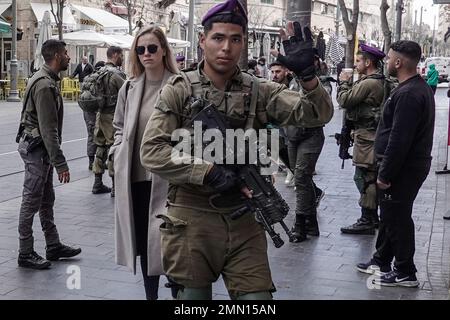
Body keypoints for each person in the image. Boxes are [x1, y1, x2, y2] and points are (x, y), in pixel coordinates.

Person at [139, 0, 333, 299]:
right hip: (191, 216)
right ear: (202, 40)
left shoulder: (260, 90)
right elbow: (152, 151)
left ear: (243, 43)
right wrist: (209, 172)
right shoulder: (179, 89)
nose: (226, 47)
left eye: (235, 39)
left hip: (245, 220)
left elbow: (318, 114)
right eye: (218, 38)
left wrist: (308, 78)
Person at [357, 40, 435, 287]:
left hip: (403, 169)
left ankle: (405, 271)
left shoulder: (410, 94)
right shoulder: (411, 88)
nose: (387, 62)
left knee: (397, 217)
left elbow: (400, 139)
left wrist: (385, 173)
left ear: (399, 62)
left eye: (390, 58)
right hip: (405, 167)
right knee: (391, 215)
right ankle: (381, 260)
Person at [111, 25, 179, 300]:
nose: (146, 53)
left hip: (168, 179)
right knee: (144, 242)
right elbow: (118, 125)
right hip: (135, 178)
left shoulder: (178, 84)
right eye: (141, 49)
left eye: (152, 48)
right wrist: (118, 151)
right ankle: (151, 296)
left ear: (163, 50)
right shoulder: (129, 87)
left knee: (171, 242)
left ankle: (180, 295)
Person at [16, 39, 81, 269]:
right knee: (31, 201)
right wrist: (61, 163)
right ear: (56, 56)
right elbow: (48, 129)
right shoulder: (45, 85)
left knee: (46, 199)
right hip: (37, 150)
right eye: (65, 53)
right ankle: (25, 252)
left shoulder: (46, 79)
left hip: (38, 149)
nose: (69, 57)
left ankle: (52, 245)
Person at [337, 44, 386, 235]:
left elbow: (344, 100)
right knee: (367, 177)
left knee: (365, 177)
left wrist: (344, 82)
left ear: (368, 62)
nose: (356, 64)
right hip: (367, 135)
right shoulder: (375, 80)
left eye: (359, 60)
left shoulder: (369, 83)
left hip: (368, 139)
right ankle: (372, 217)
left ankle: (367, 218)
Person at [91, 46, 126, 196]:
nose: (123, 58)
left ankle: (97, 182)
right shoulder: (117, 75)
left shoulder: (98, 72)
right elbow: (128, 93)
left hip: (99, 116)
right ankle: (114, 186)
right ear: (115, 55)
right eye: (122, 55)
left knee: (99, 148)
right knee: (113, 149)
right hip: (112, 117)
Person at [72, 56, 96, 170]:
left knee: (91, 136)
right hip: (95, 114)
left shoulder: (87, 83)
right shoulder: (98, 83)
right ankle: (98, 163)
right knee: (100, 138)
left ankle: (91, 161)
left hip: (87, 113)